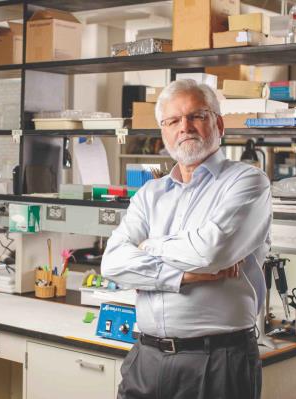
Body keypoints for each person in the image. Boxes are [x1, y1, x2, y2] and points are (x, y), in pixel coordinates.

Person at [101, 79, 272, 399]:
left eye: (196, 116)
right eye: (173, 120)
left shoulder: (248, 182)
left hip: (218, 361)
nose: (185, 127)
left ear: (218, 123)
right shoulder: (150, 194)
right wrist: (183, 275)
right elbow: (112, 263)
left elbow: (212, 252)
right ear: (163, 131)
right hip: (146, 358)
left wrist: (149, 246)